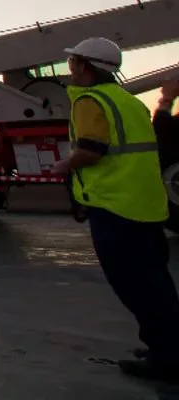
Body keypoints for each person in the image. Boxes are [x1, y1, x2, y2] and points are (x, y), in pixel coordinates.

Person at [51, 37, 179, 382]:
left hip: (115, 206)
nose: (71, 69)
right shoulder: (128, 100)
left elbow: (91, 151)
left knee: (136, 286)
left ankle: (167, 359)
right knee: (156, 282)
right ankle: (164, 345)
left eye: (73, 62)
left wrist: (63, 165)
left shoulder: (89, 100)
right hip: (146, 205)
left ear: (86, 66)